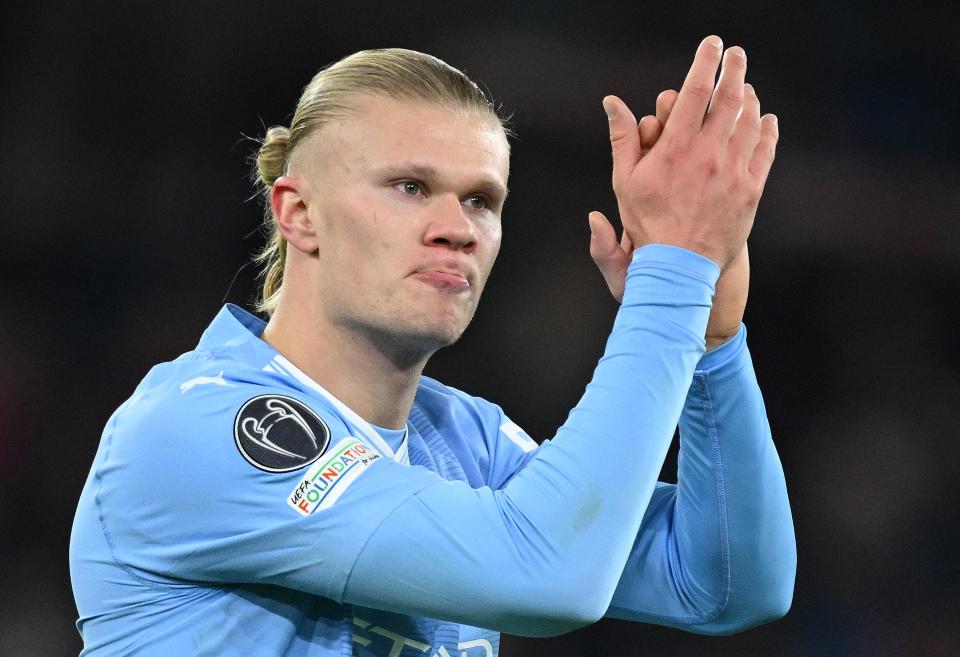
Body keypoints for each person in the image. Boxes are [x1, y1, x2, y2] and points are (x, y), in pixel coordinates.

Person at [70, 36, 796, 657]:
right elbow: (548, 573)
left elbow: (726, 581)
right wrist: (669, 278)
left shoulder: (465, 441)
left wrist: (711, 340)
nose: (457, 226)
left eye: (481, 199)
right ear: (297, 212)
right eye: (410, 186)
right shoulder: (200, 426)